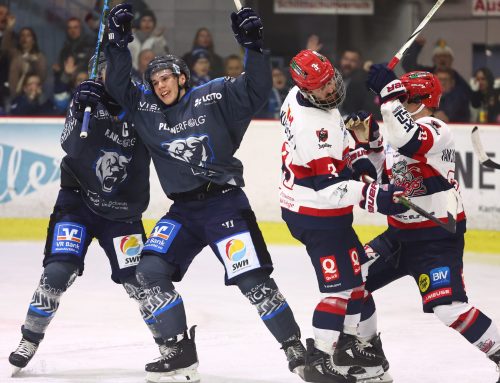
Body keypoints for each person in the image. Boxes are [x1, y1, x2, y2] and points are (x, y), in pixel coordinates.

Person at [104, 3, 307, 382]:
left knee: (253, 283)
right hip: (183, 213)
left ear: (182, 78)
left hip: (222, 203)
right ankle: (180, 352)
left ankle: (295, 347)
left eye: (167, 77)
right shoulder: (146, 109)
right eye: (155, 81)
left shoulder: (213, 96)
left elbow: (257, 88)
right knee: (147, 272)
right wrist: (116, 42)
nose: (160, 85)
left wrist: (253, 45)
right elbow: (117, 86)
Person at [8, 53, 152, 375]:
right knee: (58, 272)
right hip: (77, 204)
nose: (109, 80)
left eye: (117, 74)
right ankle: (30, 339)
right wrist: (79, 105)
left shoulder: (143, 107)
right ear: (99, 77)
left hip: (122, 211)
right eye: (104, 75)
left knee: (139, 282)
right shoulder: (86, 100)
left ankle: (169, 343)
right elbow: (70, 146)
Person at [356, 64, 500, 381]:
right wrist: (372, 146)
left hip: (436, 237)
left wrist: (388, 97)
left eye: (405, 98)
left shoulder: (437, 129)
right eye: (400, 98)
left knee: (449, 309)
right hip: (399, 235)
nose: (400, 103)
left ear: (423, 100)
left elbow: (409, 141)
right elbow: (388, 180)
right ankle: (370, 358)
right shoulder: (398, 132)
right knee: (353, 279)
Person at [280, 49, 408, 383]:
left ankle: (358, 348)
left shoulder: (302, 96)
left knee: (357, 283)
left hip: (320, 210)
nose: (331, 90)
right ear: (307, 89)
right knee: (339, 290)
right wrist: (375, 196)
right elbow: (328, 187)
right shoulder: (313, 128)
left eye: (329, 80)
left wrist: (357, 158)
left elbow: (337, 142)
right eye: (322, 88)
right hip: (316, 213)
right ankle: (321, 359)